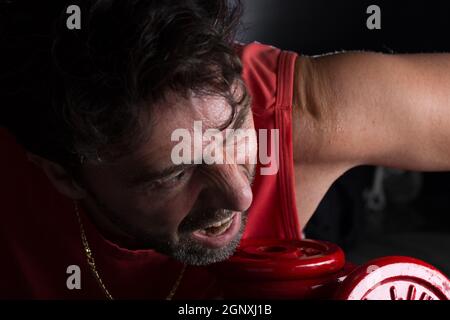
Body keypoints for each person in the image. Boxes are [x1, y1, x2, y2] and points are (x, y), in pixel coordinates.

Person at [1, 0, 450, 299]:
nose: (241, 195)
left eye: (235, 125)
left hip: (306, 192)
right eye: (174, 173)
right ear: (62, 175)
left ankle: (372, 181)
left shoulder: (304, 107)